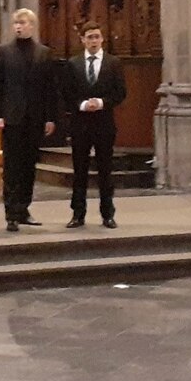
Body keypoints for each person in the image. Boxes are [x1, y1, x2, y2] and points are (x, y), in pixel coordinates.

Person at [0, 8, 59, 232]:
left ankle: (24, 208)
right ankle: (11, 212)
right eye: (16, 23)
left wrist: (50, 117)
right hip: (12, 116)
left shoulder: (43, 52)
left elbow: (50, 88)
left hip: (35, 117)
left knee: (29, 165)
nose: (19, 26)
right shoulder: (4, 52)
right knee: (12, 166)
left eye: (23, 22)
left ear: (32, 25)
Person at [61, 21, 127, 229]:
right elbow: (66, 93)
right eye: (89, 37)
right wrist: (81, 104)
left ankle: (108, 213)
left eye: (97, 36)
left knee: (105, 170)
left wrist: (100, 103)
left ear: (102, 39)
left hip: (104, 123)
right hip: (80, 124)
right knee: (79, 171)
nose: (93, 41)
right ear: (82, 40)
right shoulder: (73, 64)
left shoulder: (113, 63)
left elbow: (120, 92)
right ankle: (78, 214)